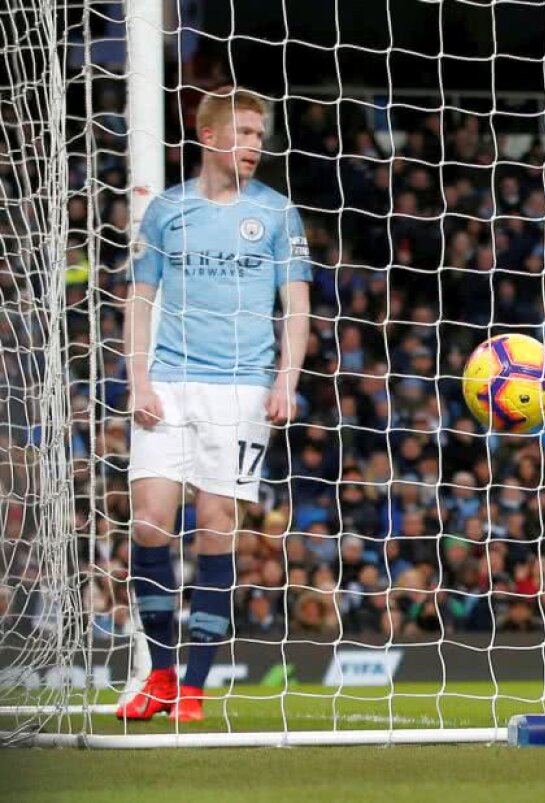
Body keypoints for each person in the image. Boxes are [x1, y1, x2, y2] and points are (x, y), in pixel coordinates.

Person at [116, 88, 311, 723]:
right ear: (208, 135)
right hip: (168, 381)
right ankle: (162, 675)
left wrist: (286, 379)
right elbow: (139, 300)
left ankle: (195, 686)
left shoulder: (278, 214)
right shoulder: (166, 212)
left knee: (216, 527)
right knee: (148, 523)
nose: (257, 145)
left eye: (261, 135)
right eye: (246, 133)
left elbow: (298, 304)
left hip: (241, 386)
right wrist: (137, 379)